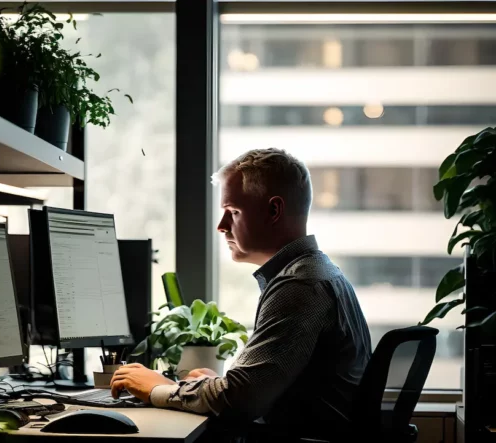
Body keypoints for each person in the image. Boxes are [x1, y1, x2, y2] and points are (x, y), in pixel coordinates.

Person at [111, 148, 371, 428]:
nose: (221, 226)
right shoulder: (319, 273)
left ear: (274, 210)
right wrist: (216, 385)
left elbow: (242, 400)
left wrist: (157, 388)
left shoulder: (300, 285)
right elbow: (255, 389)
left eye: (233, 212)